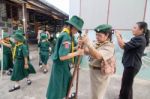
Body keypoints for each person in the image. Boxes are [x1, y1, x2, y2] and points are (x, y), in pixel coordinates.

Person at [46, 16, 84, 99]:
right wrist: (77, 53)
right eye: (77, 29)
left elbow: (66, 50)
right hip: (60, 67)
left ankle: (66, 96)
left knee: (63, 85)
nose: (77, 32)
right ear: (72, 27)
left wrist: (75, 48)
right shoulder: (66, 36)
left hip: (62, 66)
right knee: (58, 88)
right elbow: (62, 56)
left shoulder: (66, 34)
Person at [79, 24, 115, 99]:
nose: (97, 37)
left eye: (99, 35)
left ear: (107, 35)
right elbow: (87, 52)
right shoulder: (97, 43)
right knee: (94, 94)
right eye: (96, 35)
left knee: (97, 95)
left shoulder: (109, 46)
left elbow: (98, 56)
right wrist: (84, 44)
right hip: (93, 71)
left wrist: (89, 44)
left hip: (100, 74)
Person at [115, 22, 149, 99]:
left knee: (126, 86)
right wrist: (120, 36)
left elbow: (123, 45)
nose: (132, 29)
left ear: (141, 30)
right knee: (128, 84)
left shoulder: (139, 39)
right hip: (132, 65)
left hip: (132, 65)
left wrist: (117, 36)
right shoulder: (139, 39)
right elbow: (127, 45)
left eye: (135, 28)